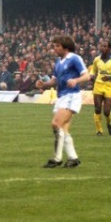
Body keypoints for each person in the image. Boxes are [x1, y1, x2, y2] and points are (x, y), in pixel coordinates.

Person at [36, 35, 90, 168]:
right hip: (61, 97)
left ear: (65, 47)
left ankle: (57, 158)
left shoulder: (74, 58)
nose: (54, 48)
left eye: (57, 46)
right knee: (64, 129)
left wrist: (76, 80)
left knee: (56, 124)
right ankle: (73, 158)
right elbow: (54, 80)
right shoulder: (58, 62)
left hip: (72, 96)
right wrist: (44, 84)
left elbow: (87, 75)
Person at [89, 40, 111, 136]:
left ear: (109, 48)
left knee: (106, 111)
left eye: (105, 46)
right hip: (98, 85)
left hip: (109, 86)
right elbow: (93, 70)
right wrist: (91, 76)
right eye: (101, 46)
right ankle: (99, 130)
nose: (102, 48)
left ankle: (109, 123)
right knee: (97, 108)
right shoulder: (96, 60)